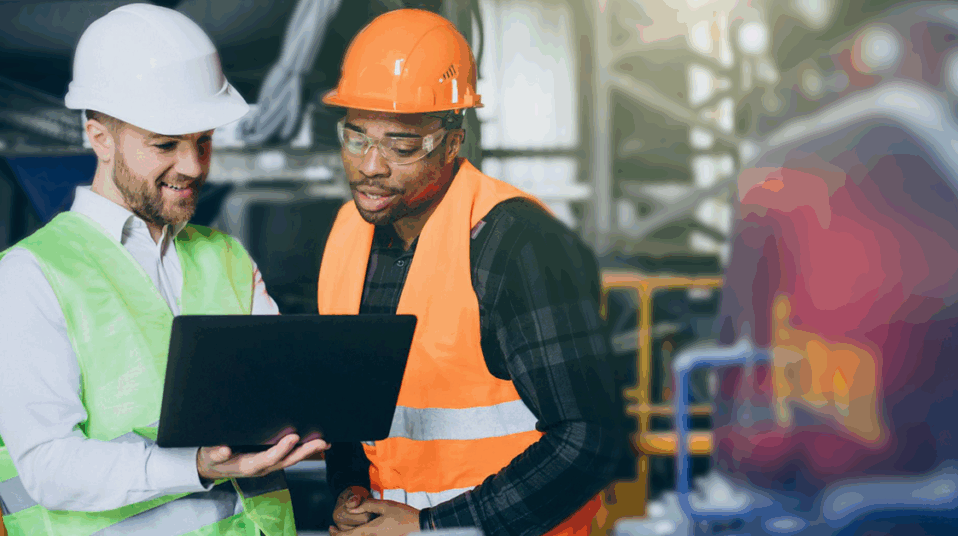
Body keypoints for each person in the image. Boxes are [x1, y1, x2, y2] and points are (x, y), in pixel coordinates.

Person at [0, 5, 328, 535]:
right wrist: (195, 465)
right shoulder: (30, 276)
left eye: (204, 140)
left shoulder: (228, 258)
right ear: (100, 137)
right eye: (165, 144)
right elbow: (48, 467)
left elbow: (282, 404)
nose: (194, 165)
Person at [317, 8, 625, 536]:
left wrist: (435, 527)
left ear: (453, 142)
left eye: (401, 145)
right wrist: (350, 490)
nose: (371, 164)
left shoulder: (517, 244)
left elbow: (590, 438)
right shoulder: (347, 233)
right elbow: (353, 409)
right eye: (356, 137)